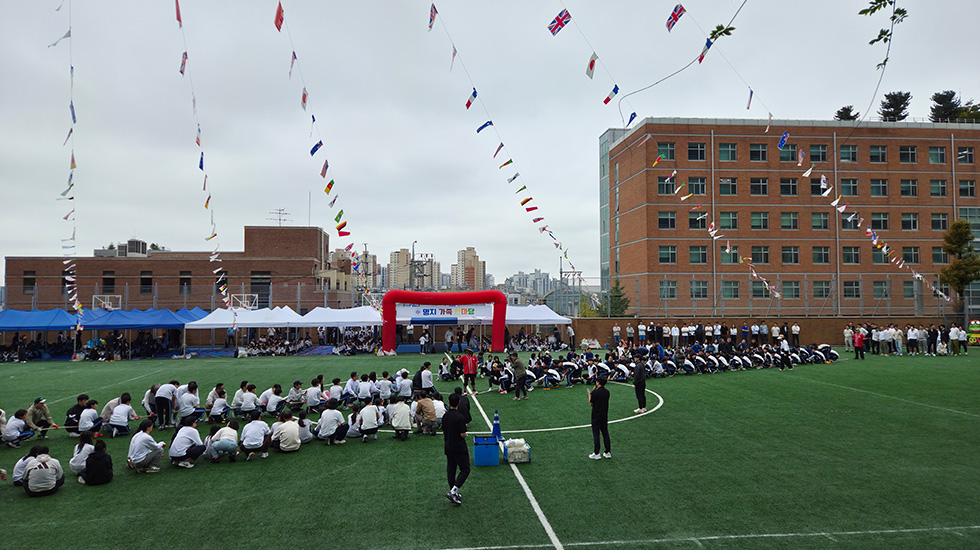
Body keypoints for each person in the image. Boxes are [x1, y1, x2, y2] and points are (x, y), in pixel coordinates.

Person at [442, 392, 469, 506]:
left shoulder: (445, 416)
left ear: (449, 402)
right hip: (459, 446)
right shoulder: (459, 417)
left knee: (451, 470)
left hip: (448, 445)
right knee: (465, 470)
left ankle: (453, 491)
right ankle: (453, 491)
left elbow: (444, 431)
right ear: (458, 402)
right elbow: (463, 434)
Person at [588, 375, 611, 460]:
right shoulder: (607, 392)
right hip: (604, 415)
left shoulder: (595, 393)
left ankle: (597, 453)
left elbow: (591, 403)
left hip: (596, 416)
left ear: (598, 382)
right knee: (605, 433)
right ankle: (607, 452)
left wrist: (590, 395)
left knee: (596, 434)